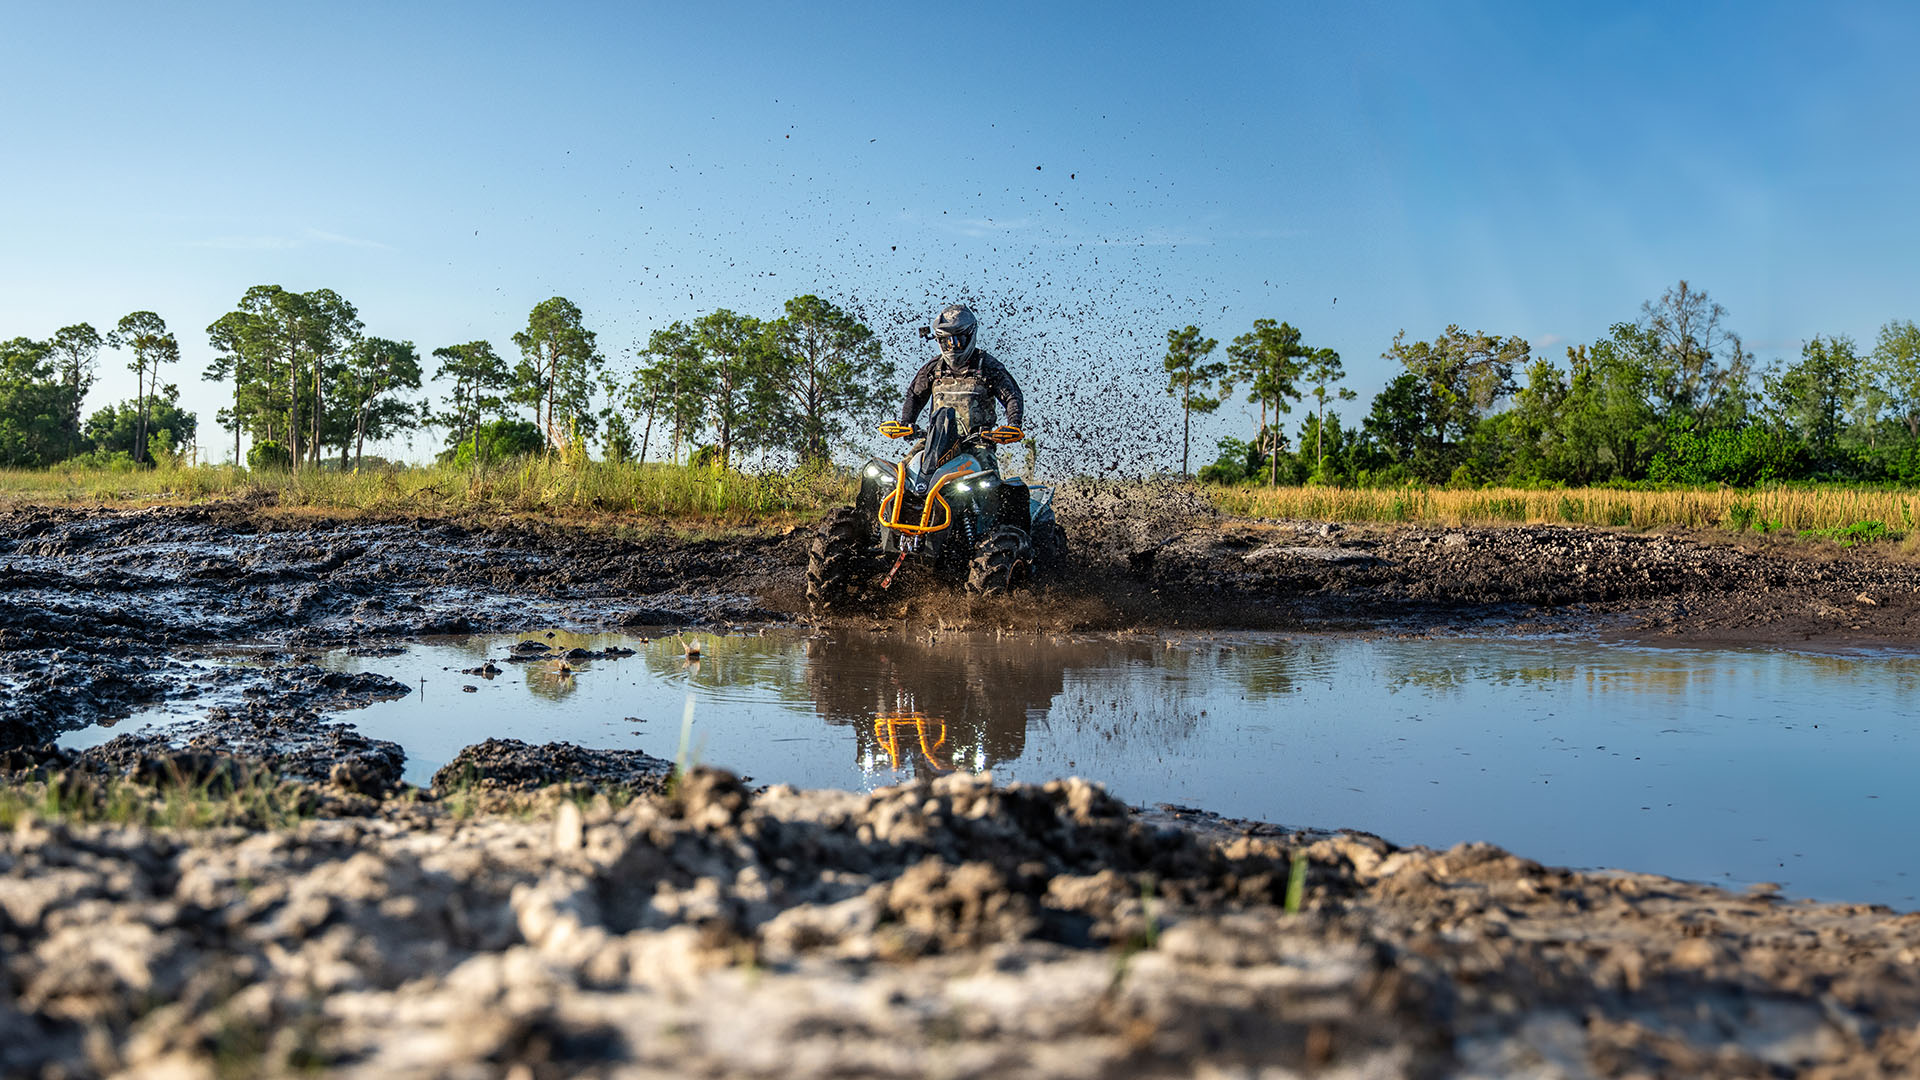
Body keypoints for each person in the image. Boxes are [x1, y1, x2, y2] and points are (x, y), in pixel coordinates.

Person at [882, 304, 1024, 462]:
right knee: (904, 470)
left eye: (958, 340)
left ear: (970, 336)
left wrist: (1014, 425)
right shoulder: (934, 368)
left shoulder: (988, 367)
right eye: (946, 341)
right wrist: (906, 423)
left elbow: (1012, 396)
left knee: (988, 476)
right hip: (935, 441)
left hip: (978, 444)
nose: (952, 345)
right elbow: (914, 395)